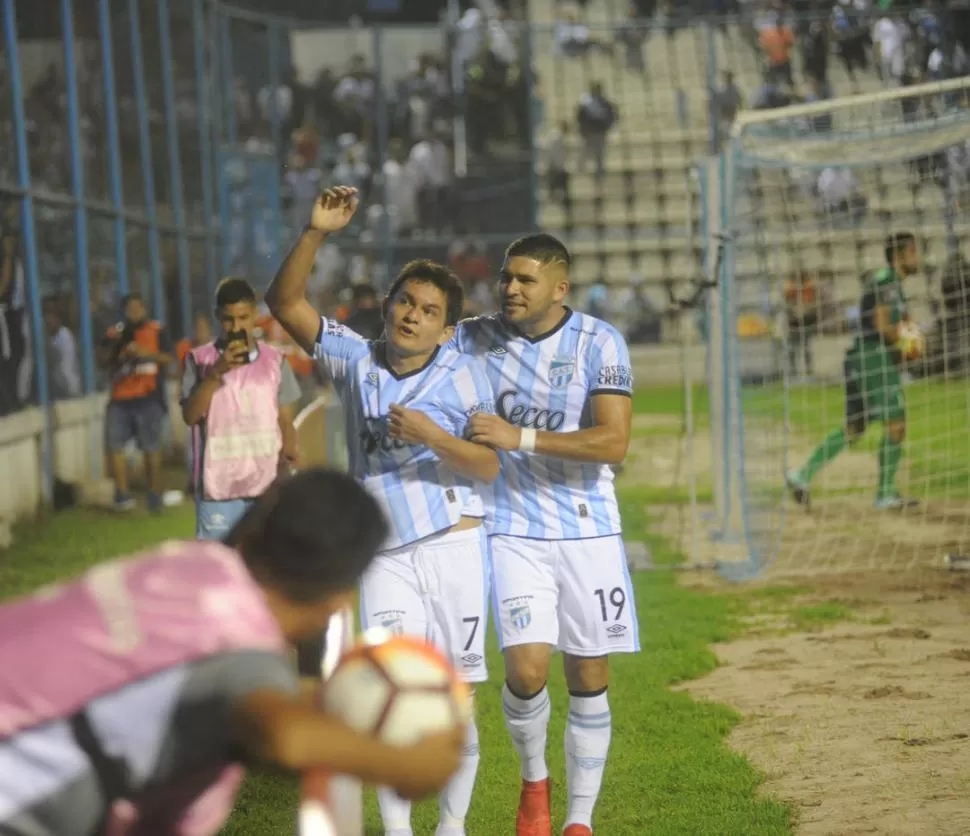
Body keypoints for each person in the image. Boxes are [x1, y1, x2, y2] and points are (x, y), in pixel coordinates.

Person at [0, 468, 466, 835]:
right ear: (338, 598)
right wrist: (411, 764)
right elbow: (283, 735)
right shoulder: (236, 642)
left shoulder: (192, 567)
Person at [267, 186, 499, 836]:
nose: (411, 315)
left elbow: (488, 466)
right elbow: (284, 303)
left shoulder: (466, 377)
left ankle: (451, 830)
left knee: (455, 700)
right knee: (391, 699)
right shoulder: (354, 357)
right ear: (388, 304)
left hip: (455, 543)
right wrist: (315, 231)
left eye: (428, 310)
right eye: (405, 301)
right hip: (384, 557)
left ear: (446, 328)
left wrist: (433, 437)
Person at [452, 233, 639, 836]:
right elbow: (404, 349)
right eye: (507, 276)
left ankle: (579, 822)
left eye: (525, 279)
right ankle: (535, 782)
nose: (510, 287)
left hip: (587, 527)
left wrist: (518, 437)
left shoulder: (599, 342)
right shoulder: (475, 337)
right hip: (512, 527)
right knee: (528, 670)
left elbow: (612, 441)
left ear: (559, 289)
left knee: (588, 673)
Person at [787, 233, 922, 511]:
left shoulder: (893, 284)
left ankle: (800, 476)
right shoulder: (886, 282)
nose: (917, 258)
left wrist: (912, 338)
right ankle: (885, 494)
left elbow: (903, 322)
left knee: (855, 427)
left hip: (864, 357)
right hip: (873, 357)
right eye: (913, 253)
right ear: (899, 256)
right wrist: (908, 343)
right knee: (896, 423)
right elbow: (883, 324)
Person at [181, 278, 300, 540]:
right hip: (219, 488)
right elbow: (190, 416)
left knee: (267, 569)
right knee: (220, 570)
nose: (236, 327)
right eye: (228, 320)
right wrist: (215, 375)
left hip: (267, 486)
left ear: (255, 315)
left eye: (243, 318)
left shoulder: (275, 361)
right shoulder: (199, 360)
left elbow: (286, 420)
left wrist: (290, 450)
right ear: (217, 318)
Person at [99, 293, 173, 512]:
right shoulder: (115, 333)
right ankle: (122, 496)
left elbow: (169, 359)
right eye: (129, 309)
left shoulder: (157, 330)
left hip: (148, 397)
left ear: (144, 309)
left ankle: (154, 494)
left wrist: (146, 354)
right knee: (115, 446)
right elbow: (102, 360)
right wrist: (118, 351)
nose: (133, 312)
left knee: (150, 447)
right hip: (120, 397)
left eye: (137, 308)